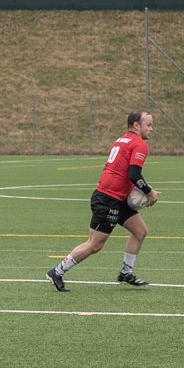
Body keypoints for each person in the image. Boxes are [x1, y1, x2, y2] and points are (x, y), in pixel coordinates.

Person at [47, 110, 160, 291]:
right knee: (94, 244)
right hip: (108, 199)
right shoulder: (139, 144)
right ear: (137, 125)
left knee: (140, 231)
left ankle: (126, 273)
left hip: (115, 197)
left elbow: (122, 172)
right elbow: (133, 174)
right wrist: (148, 192)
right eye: (149, 124)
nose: (152, 129)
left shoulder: (121, 140)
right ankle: (57, 271)